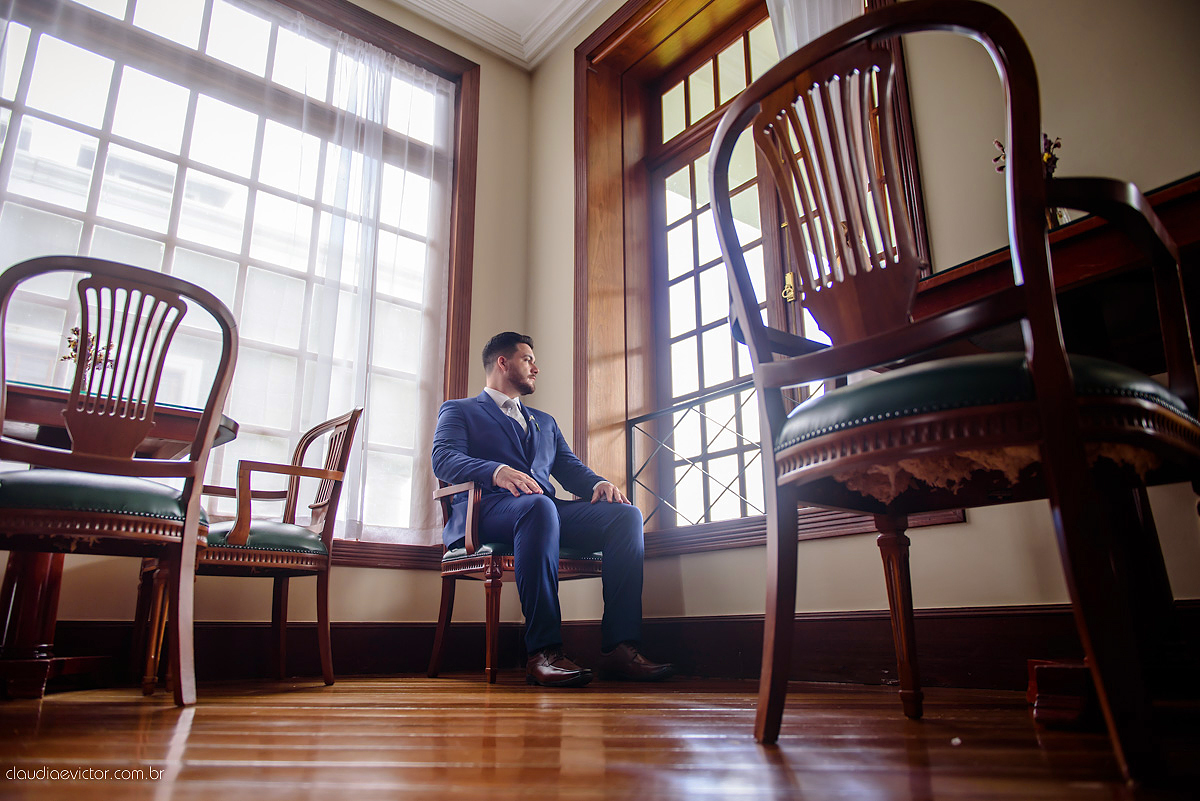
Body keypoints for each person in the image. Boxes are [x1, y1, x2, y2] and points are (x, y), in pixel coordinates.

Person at [432, 331, 673, 687]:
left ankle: (620, 648)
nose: (536, 368)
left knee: (626, 516)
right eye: (528, 359)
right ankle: (543, 651)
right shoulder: (459, 410)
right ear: (503, 362)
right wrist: (496, 472)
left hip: (542, 510)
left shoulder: (544, 422)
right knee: (539, 508)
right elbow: (443, 458)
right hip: (486, 512)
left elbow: (569, 468)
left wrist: (596, 484)